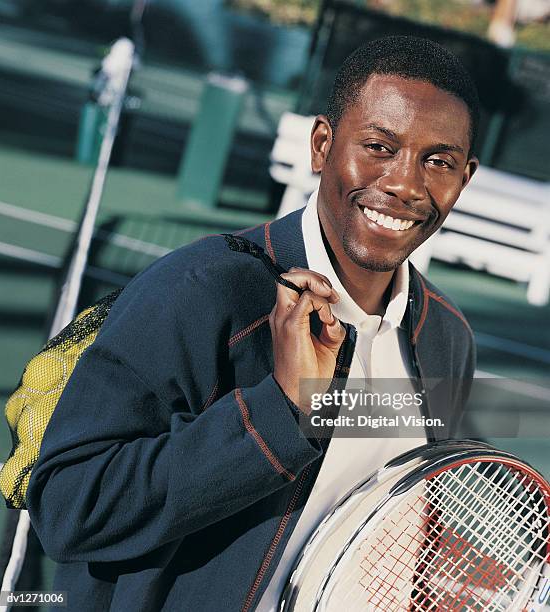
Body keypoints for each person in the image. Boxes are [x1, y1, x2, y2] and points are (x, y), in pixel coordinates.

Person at [26, 36, 479, 611]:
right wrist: (281, 413)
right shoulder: (202, 290)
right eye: (378, 146)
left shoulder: (446, 339)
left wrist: (448, 563)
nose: (405, 184)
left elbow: (401, 514)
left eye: (437, 162)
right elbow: (69, 509)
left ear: (465, 178)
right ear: (322, 145)